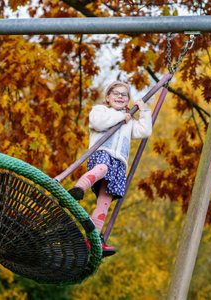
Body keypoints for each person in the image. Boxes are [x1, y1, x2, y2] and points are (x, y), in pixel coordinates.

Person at [68, 80, 152, 257]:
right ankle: (79, 188)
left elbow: (144, 131)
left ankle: (92, 240)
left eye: (124, 95)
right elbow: (98, 123)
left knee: (104, 203)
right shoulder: (101, 110)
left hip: (119, 163)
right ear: (107, 97)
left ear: (128, 100)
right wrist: (122, 117)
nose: (120, 97)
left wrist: (143, 111)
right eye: (116, 93)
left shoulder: (129, 120)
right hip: (102, 153)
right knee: (102, 168)